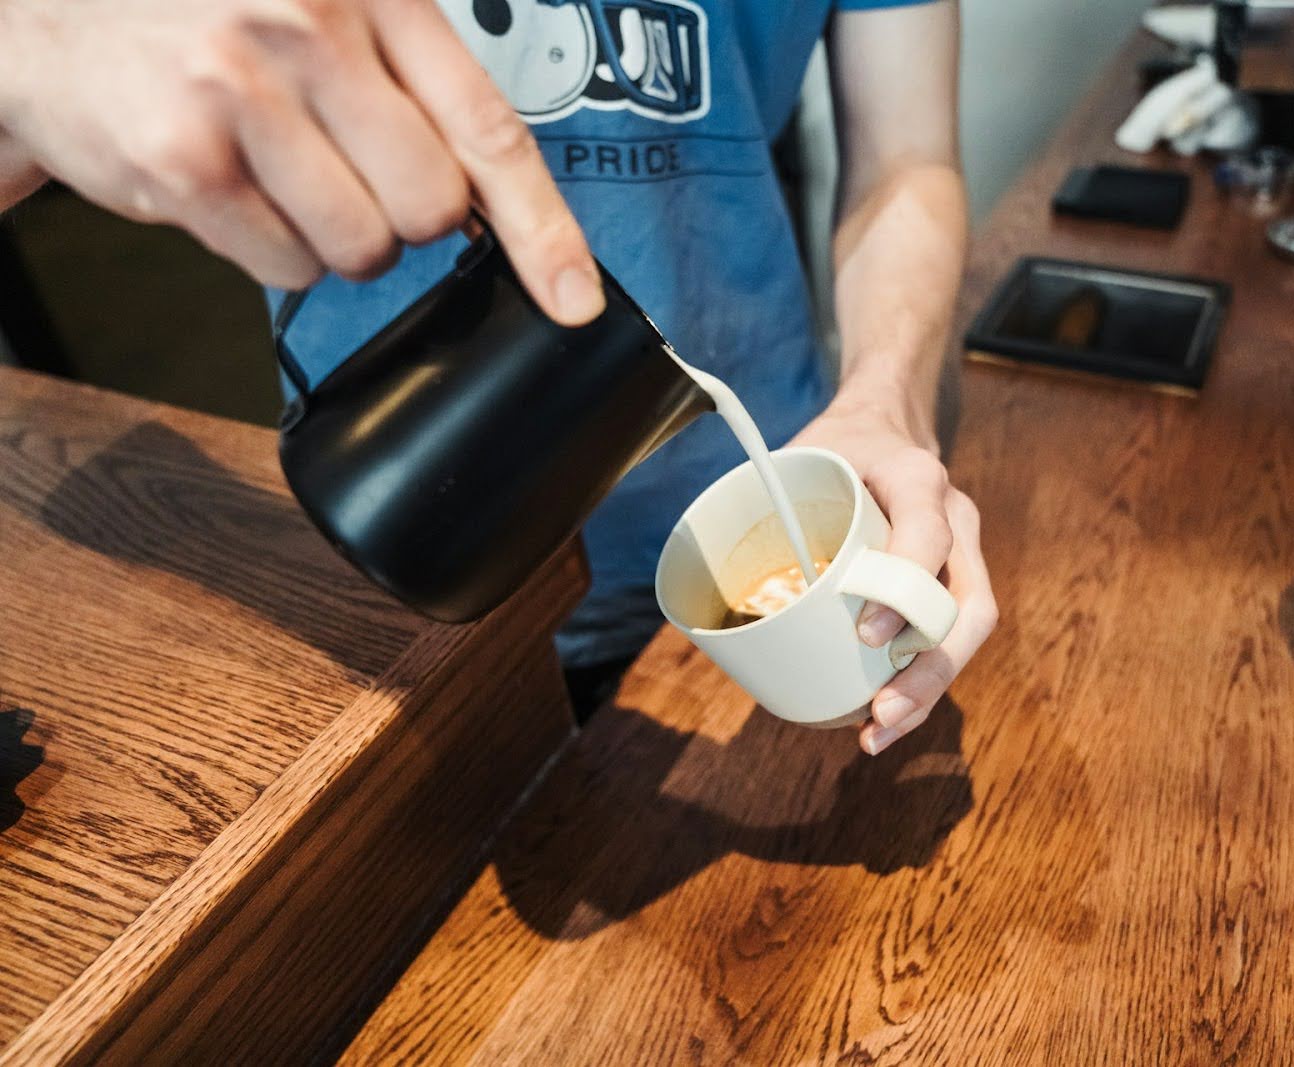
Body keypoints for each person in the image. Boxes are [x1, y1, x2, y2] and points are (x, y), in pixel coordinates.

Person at [0, 0, 996, 754]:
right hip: (390, 564)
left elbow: (907, 160)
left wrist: (886, 399)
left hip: (774, 541)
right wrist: (30, 50)